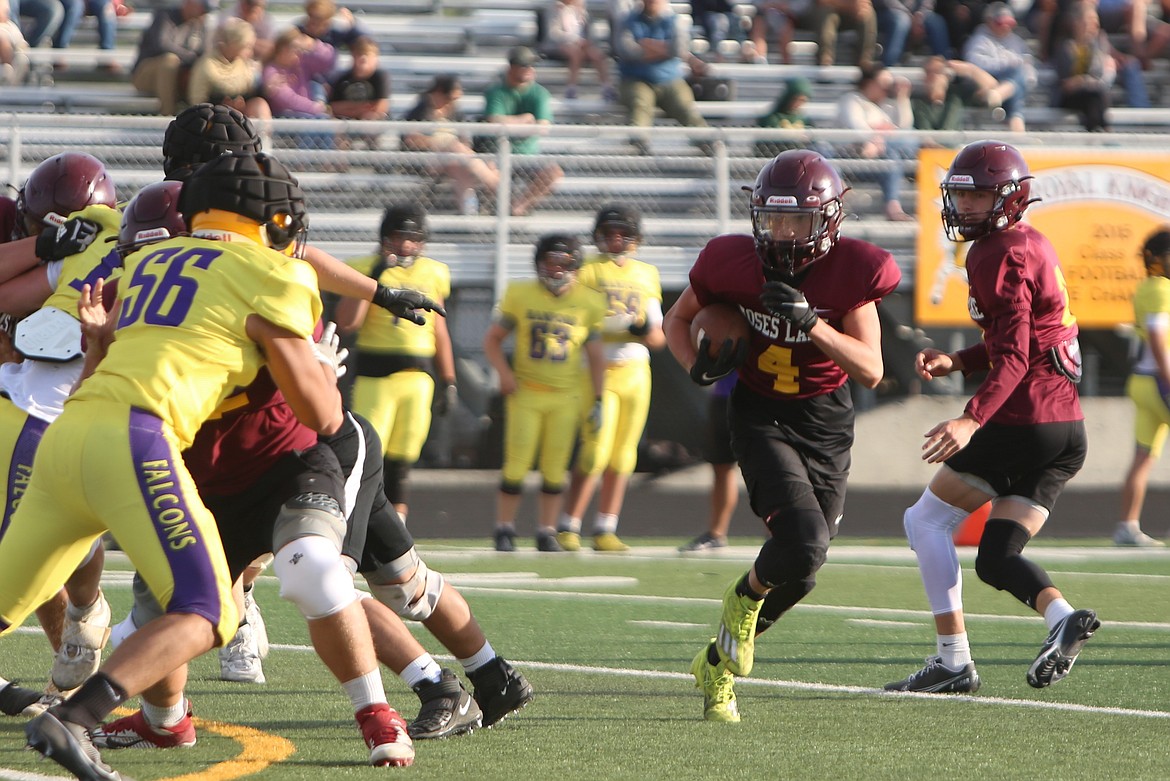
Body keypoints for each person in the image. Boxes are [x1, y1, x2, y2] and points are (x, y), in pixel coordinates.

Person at [0, 150, 363, 780]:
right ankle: (78, 719)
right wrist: (323, 373)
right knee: (208, 609)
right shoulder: (273, 272)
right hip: (136, 439)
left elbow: (101, 350)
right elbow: (320, 413)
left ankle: (86, 716)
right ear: (273, 222)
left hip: (67, 433)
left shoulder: (145, 259)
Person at [663, 149, 900, 722]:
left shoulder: (853, 269)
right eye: (773, 219)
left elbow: (871, 368)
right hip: (760, 412)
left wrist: (811, 322)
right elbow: (676, 320)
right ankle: (742, 599)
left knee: (806, 566)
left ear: (830, 220)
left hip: (824, 417)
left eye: (799, 221)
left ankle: (716, 666)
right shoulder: (729, 261)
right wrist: (696, 368)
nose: (785, 234)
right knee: (802, 538)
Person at [885, 140, 1099, 695]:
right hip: (1064, 429)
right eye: (962, 194)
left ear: (1009, 197)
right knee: (997, 556)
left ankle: (952, 660)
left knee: (924, 521)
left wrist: (972, 418)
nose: (966, 206)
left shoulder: (995, 253)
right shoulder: (1028, 242)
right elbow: (1019, 339)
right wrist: (958, 359)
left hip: (1023, 420)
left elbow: (1015, 355)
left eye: (978, 195)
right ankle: (1062, 619)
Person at [0, 153, 120, 719]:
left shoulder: (107, 250)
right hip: (47, 409)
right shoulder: (65, 245)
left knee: (35, 546)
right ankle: (79, 664)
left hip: (54, 415)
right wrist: (44, 247)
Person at [484, 234, 607, 553]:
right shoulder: (521, 294)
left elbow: (596, 356)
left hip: (566, 396)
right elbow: (492, 340)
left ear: (576, 266)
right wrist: (505, 375)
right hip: (526, 391)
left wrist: (599, 399)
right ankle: (504, 528)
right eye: (549, 263)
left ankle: (546, 531)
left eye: (562, 264)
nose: (555, 270)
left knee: (555, 468)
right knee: (516, 464)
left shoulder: (589, 301)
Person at [335, 203, 457, 524]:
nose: (405, 245)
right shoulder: (363, 266)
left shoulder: (434, 271)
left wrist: (449, 378)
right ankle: (358, 519)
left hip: (418, 376)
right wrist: (374, 277)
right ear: (384, 238)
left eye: (412, 238)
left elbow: (439, 328)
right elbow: (348, 322)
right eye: (398, 237)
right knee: (369, 453)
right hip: (376, 376)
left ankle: (396, 524)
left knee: (404, 458)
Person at [557, 205, 665, 553]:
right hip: (597, 370)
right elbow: (577, 322)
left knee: (624, 456)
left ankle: (606, 526)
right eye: (610, 233)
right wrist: (616, 326)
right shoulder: (587, 270)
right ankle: (568, 525)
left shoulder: (647, 273)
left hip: (636, 371)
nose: (616, 240)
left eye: (623, 233)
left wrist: (638, 329)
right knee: (594, 452)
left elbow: (657, 337)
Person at [1115, 227, 1170, 547]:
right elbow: (1158, 337)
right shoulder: (1160, 288)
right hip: (1158, 380)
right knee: (1143, 457)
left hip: (1142, 381)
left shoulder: (1148, 288)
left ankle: (1127, 525)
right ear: (1153, 259)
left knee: (1143, 456)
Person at [613, 0, 711, 155]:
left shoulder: (673, 21)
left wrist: (646, 45)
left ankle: (708, 142)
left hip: (669, 79)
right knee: (640, 103)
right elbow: (628, 51)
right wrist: (665, 49)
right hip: (636, 79)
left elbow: (679, 48)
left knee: (684, 106)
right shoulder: (628, 20)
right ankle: (638, 143)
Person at [401, 74, 501, 216]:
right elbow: (411, 140)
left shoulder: (455, 112)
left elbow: (465, 141)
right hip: (424, 161)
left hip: (453, 160)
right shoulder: (421, 110)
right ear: (439, 93)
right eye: (449, 99)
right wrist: (441, 143)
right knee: (454, 147)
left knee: (459, 169)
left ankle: (469, 214)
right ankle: (494, 182)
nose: (451, 104)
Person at [481, 46, 564, 217]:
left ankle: (518, 207)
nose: (529, 70)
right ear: (511, 67)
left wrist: (510, 124)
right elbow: (494, 121)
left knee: (554, 172)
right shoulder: (496, 91)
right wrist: (526, 119)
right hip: (497, 154)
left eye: (531, 66)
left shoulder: (539, 93)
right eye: (524, 65)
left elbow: (542, 127)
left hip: (528, 156)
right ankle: (492, 209)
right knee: (486, 169)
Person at [835, 63, 916, 221]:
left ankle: (893, 206)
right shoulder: (852, 100)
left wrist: (902, 98)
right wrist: (875, 140)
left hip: (876, 159)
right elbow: (856, 128)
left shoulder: (886, 106)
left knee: (896, 153)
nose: (887, 88)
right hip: (850, 157)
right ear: (870, 83)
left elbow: (905, 127)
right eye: (883, 84)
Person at [679, 374, 739, 552]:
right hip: (722, 397)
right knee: (721, 465)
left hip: (758, 397)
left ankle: (774, 532)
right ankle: (716, 533)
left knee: (768, 467)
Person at [131, 0, 216, 116]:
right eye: (202, 8)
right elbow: (161, 45)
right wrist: (190, 57)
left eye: (206, 10)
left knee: (207, 64)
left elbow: (205, 54)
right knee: (170, 61)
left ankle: (201, 116)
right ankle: (168, 115)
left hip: (180, 77)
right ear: (190, 3)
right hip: (146, 75)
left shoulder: (202, 25)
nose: (204, 13)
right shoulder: (165, 16)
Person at [961, 2, 1034, 133]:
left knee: (1018, 78)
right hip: (987, 82)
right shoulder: (979, 39)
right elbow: (974, 63)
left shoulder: (1016, 41)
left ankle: (999, 94)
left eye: (1009, 24)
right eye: (1001, 23)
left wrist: (1027, 79)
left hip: (1003, 90)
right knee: (1017, 75)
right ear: (990, 21)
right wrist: (1005, 65)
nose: (1006, 27)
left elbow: (1028, 66)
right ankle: (1017, 128)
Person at [187, 16, 271, 123]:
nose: (251, 52)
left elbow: (252, 91)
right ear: (234, 44)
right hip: (214, 119)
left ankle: (263, 138)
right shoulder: (206, 65)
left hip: (242, 116)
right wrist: (222, 107)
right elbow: (197, 102)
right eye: (247, 46)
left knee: (260, 105)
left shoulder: (245, 64)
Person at [539, 0, 614, 100]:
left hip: (581, 44)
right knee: (576, 53)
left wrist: (586, 42)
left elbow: (590, 34)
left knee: (598, 55)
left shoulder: (583, 11)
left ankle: (607, 87)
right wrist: (573, 40)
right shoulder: (554, 9)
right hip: (559, 45)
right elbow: (553, 34)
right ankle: (571, 88)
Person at [328, 35, 390, 121]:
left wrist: (349, 108)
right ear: (353, 56)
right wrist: (363, 108)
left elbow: (380, 107)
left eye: (367, 54)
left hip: (372, 125)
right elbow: (334, 108)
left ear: (375, 58)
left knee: (370, 118)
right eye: (359, 54)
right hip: (345, 123)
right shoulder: (342, 78)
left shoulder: (380, 77)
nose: (363, 58)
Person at [754, 76, 814, 157]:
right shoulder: (772, 118)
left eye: (802, 100)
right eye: (795, 99)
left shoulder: (805, 120)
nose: (797, 103)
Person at [810, 0, 878, 66]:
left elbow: (864, 2)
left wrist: (860, 8)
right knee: (826, 15)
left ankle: (865, 61)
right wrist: (847, 5)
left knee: (868, 13)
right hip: (826, 10)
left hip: (850, 13)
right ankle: (825, 58)